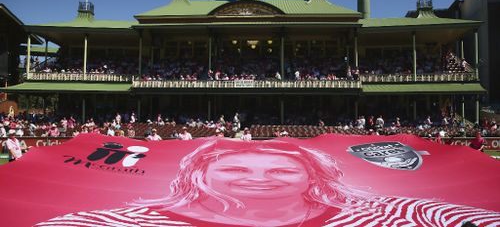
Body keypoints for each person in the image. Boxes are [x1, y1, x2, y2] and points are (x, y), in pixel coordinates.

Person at [35, 139, 500, 227]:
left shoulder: (395, 213)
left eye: (281, 169)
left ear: (310, 176)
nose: (259, 180)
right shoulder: (114, 221)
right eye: (236, 168)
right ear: (201, 174)